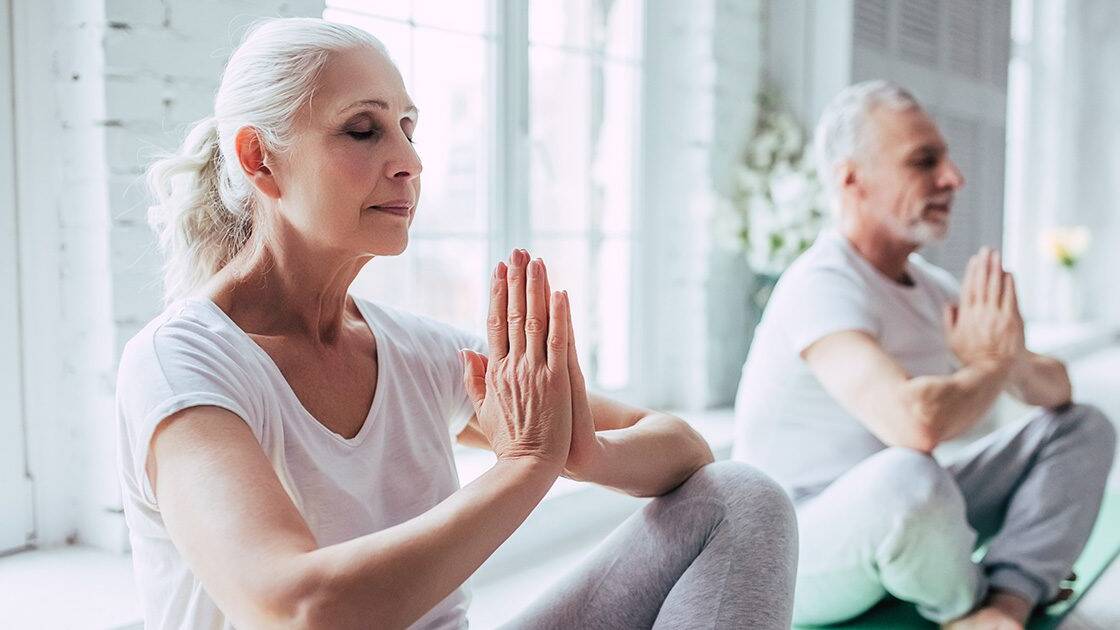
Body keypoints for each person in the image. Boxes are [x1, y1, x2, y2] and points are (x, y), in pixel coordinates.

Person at [115, 17, 797, 629]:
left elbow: (683, 447)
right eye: (364, 129)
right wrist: (527, 465)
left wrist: (578, 448)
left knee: (740, 499)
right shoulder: (182, 363)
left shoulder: (416, 352)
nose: (408, 162)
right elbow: (297, 609)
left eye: (408, 128)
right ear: (260, 159)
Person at [731, 80, 1116, 630]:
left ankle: (1003, 606)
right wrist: (992, 365)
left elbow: (1057, 390)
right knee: (911, 475)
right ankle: (967, 602)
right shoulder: (820, 282)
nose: (953, 178)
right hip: (790, 548)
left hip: (903, 516)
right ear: (851, 179)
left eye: (947, 160)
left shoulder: (932, 288)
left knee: (1083, 427)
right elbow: (914, 424)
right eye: (923, 161)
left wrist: (1008, 359)